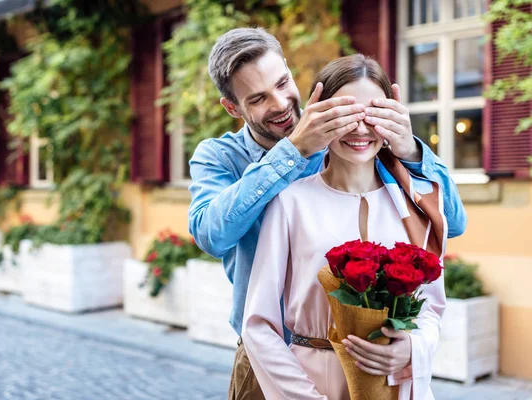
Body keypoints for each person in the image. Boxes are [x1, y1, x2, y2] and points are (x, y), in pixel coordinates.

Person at [188, 27, 466, 399]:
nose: (281, 103)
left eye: (283, 82)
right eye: (258, 98)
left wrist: (410, 151)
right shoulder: (220, 158)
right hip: (268, 357)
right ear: (233, 107)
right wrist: (293, 151)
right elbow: (211, 234)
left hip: (372, 359)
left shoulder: (351, 141)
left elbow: (451, 224)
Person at [242, 54, 448, 400]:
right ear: (319, 116)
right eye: (346, 113)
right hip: (313, 381)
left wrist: (411, 347)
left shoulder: (416, 205)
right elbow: (258, 325)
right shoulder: (290, 202)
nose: (360, 128)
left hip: (395, 384)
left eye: (373, 112)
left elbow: (433, 308)